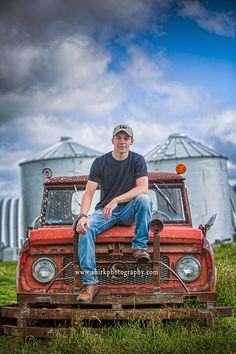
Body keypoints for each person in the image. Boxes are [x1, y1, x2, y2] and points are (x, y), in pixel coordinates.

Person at [75, 124, 153, 303]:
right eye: (119, 138)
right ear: (113, 140)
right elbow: (88, 193)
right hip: (106, 212)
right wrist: (82, 215)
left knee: (144, 200)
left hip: (128, 211)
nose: (122, 142)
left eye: (126, 138)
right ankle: (90, 284)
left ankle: (139, 247)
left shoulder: (138, 160)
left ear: (132, 141)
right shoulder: (100, 162)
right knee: (84, 229)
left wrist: (117, 199)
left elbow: (143, 188)